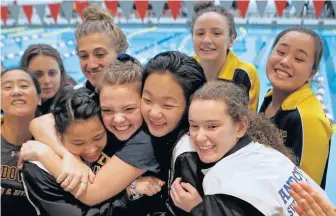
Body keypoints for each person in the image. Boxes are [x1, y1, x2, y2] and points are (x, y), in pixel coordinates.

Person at [21, 54, 161, 211]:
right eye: (107, 110)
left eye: (129, 109)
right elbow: (40, 122)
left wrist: (45, 154)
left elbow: (90, 194)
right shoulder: (98, 118)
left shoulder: (144, 139)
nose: (119, 119)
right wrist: (69, 157)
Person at [170, 81, 329, 216]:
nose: (199, 137)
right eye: (194, 126)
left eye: (212, 126)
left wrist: (196, 209)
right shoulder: (268, 152)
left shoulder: (221, 181)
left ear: (241, 127)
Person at [21, 88, 130, 216]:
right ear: (59, 135)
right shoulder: (38, 170)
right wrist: (128, 195)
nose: (91, 149)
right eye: (78, 143)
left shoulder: (118, 136)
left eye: (98, 137)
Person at [259, 27, 332, 188]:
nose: (285, 62)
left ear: (311, 74)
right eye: (281, 52)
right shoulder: (270, 98)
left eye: (299, 59)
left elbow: (306, 190)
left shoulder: (309, 119)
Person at [140, 51, 207, 215]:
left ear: (191, 106)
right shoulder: (138, 127)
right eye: (147, 100)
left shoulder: (189, 157)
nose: (154, 113)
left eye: (167, 105)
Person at [191, 2, 260, 112]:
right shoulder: (186, 67)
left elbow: (248, 121)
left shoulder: (244, 74)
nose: (207, 40)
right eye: (200, 33)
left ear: (231, 41)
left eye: (216, 33)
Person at [1, 68, 41, 216]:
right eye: (7, 87)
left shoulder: (53, 143)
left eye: (24, 86)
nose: (17, 92)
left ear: (39, 98)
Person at [74, 5, 128, 90]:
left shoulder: (142, 96)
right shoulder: (72, 98)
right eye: (84, 56)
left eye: (100, 54)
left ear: (120, 55)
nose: (92, 65)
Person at [20, 44, 77, 114]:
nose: (46, 81)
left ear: (61, 73)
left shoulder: (71, 102)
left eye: (52, 73)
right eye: (38, 75)